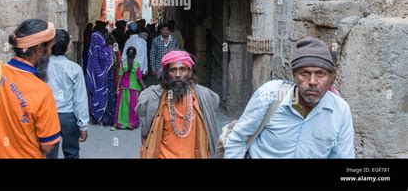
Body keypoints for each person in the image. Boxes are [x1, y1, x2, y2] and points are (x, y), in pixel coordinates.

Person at [224, 37, 355, 158]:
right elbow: (237, 140)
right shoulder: (271, 95)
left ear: (332, 77)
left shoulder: (340, 111)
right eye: (304, 73)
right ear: (294, 74)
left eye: (321, 74)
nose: (312, 81)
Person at [0, 19, 61, 158]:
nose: (50, 53)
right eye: (50, 48)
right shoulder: (42, 91)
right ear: (38, 50)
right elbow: (48, 144)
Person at [136, 50, 220, 158]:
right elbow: (146, 134)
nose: (178, 75)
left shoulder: (204, 96)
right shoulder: (153, 97)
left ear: (190, 72)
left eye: (182, 69)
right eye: (173, 70)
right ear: (166, 73)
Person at [46, 30, 89, 159]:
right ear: (67, 47)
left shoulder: (41, 66)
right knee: (72, 152)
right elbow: (79, 99)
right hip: (68, 116)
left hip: (47, 115)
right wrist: (83, 124)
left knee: (48, 153)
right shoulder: (74, 68)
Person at [84, 30, 114, 125]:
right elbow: (112, 62)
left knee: (95, 95)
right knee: (106, 96)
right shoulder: (106, 50)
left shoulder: (90, 52)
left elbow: (89, 67)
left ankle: (96, 117)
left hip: (95, 79)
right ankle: (105, 119)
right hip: (107, 78)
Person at [115, 47, 146, 130]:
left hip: (124, 88)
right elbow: (139, 78)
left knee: (124, 106)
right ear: (135, 55)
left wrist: (118, 87)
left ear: (126, 54)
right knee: (133, 106)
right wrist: (144, 86)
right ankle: (132, 123)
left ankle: (123, 123)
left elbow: (120, 77)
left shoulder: (123, 64)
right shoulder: (137, 64)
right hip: (134, 89)